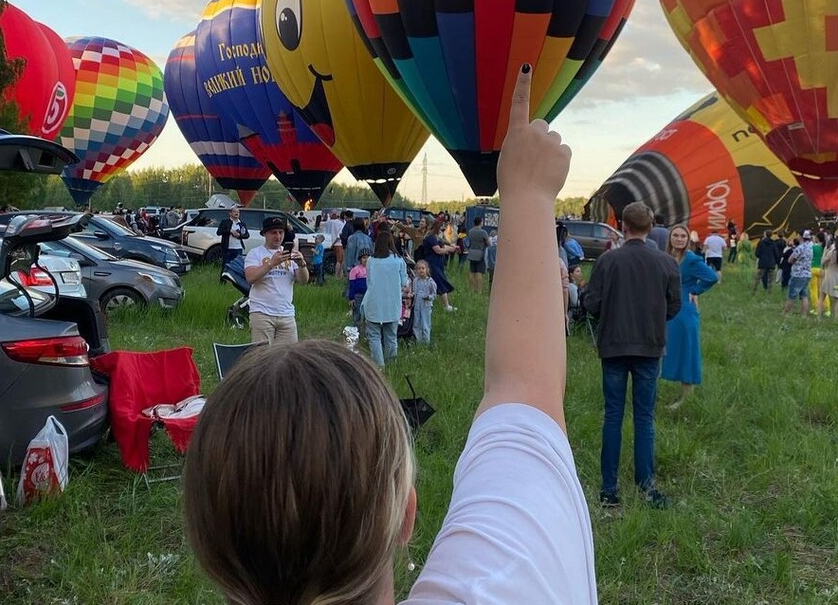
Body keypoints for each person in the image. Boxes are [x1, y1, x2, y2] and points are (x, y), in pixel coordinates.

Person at [183, 62, 599, 603]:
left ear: (206, 549)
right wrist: (528, 192)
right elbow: (526, 386)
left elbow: (524, 387)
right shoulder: (501, 583)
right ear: (407, 514)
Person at [584, 201, 681, 509]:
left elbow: (591, 304)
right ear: (651, 228)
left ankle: (609, 490)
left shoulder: (607, 261)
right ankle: (646, 486)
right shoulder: (666, 263)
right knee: (644, 418)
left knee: (613, 416)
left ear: (623, 226)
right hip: (650, 347)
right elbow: (675, 306)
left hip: (613, 345)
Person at [662, 224, 718, 411]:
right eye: (675, 235)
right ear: (670, 238)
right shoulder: (667, 258)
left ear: (687, 240)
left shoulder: (691, 259)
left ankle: (687, 397)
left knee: (687, 350)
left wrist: (696, 290)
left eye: (683, 236)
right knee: (666, 348)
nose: (679, 239)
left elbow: (711, 277)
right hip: (667, 308)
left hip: (685, 310)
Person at [244, 216, 309, 350]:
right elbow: (250, 278)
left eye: (281, 232)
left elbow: (303, 281)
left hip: (286, 314)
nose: (278, 236)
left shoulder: (289, 254)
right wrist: (272, 263)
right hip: (262, 313)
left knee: (288, 357)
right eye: (273, 232)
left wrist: (301, 264)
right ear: (265, 234)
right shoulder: (255, 253)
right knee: (261, 357)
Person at [363, 230, 408, 367]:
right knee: (391, 336)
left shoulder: (371, 260)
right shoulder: (398, 260)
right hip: (392, 302)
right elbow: (403, 282)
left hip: (374, 302)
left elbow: (369, 281)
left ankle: (379, 366)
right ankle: (392, 364)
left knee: (374, 336)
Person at [423, 217, 458, 312]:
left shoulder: (436, 237)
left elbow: (442, 246)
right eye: (442, 227)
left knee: (435, 283)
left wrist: (451, 247)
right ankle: (447, 306)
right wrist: (449, 249)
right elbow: (438, 250)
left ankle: (430, 303)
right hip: (432, 263)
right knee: (440, 283)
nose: (443, 229)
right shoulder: (431, 237)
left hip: (437, 263)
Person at [783, 231, 813, 316]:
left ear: (800, 236)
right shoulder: (811, 247)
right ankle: (804, 315)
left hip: (798, 274)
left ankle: (785, 313)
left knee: (791, 295)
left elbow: (790, 260)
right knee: (804, 295)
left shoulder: (800, 248)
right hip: (807, 274)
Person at [818, 231, 838, 319]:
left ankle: (818, 317)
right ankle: (836, 318)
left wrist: (825, 252)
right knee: (837, 299)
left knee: (822, 297)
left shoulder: (833, 252)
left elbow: (823, 261)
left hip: (829, 275)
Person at [411, 259, 437, 344]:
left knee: (425, 323)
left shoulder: (430, 282)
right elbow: (414, 291)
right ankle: (418, 340)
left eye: (423, 268)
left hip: (426, 305)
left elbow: (434, 294)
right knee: (416, 322)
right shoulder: (415, 281)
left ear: (427, 270)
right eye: (419, 268)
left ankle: (426, 341)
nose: (421, 270)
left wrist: (428, 297)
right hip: (417, 304)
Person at [465, 216, 490, 294]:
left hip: (471, 252)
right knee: (479, 272)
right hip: (480, 253)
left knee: (472, 271)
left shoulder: (470, 231)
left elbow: (468, 242)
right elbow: (488, 243)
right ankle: (479, 290)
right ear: (480, 222)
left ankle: (471, 289)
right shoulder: (483, 232)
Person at [347, 249, 370, 327]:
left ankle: (367, 332)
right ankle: (355, 330)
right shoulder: (355, 270)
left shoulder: (372, 269)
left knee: (369, 314)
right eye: (364, 257)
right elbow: (352, 285)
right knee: (357, 313)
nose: (366, 260)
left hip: (369, 295)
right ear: (360, 259)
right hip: (358, 295)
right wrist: (351, 298)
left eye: (368, 257)